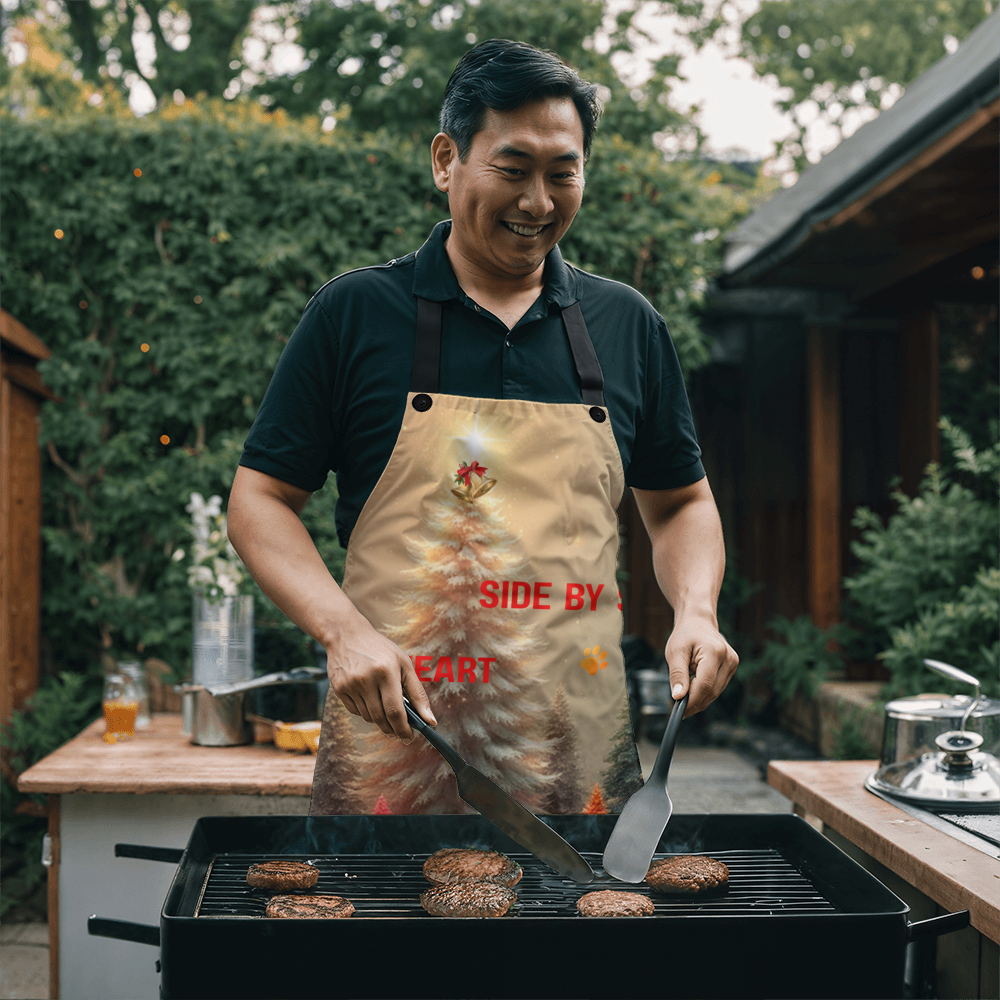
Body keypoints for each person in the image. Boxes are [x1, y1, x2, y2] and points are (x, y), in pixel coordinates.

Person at [228, 39, 738, 816]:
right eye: (513, 167)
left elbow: (680, 503)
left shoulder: (627, 325)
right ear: (447, 160)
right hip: (396, 755)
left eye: (562, 172)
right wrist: (343, 633)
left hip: (580, 762)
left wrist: (696, 610)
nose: (538, 202)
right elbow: (259, 501)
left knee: (585, 899)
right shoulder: (354, 314)